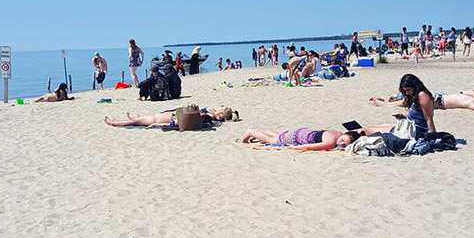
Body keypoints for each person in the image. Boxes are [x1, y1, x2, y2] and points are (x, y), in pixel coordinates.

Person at [373, 85, 474, 111]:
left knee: (408, 102)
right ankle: (386, 103)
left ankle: (384, 105)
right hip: (438, 97)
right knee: (408, 100)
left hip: (438, 102)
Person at [105, 106, 236, 128]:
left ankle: (113, 123)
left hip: (159, 119)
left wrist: (156, 125)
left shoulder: (206, 116)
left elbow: (174, 125)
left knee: (132, 122)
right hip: (162, 116)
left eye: (221, 108)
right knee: (138, 118)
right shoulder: (209, 115)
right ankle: (135, 117)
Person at [241, 127, 360, 151]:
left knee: (277, 136)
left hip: (304, 132)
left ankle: (257, 132)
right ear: (345, 134)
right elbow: (309, 146)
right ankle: (250, 132)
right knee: (271, 141)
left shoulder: (337, 132)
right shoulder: (331, 142)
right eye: (343, 140)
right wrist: (294, 147)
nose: (341, 143)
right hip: (297, 137)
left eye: (344, 144)